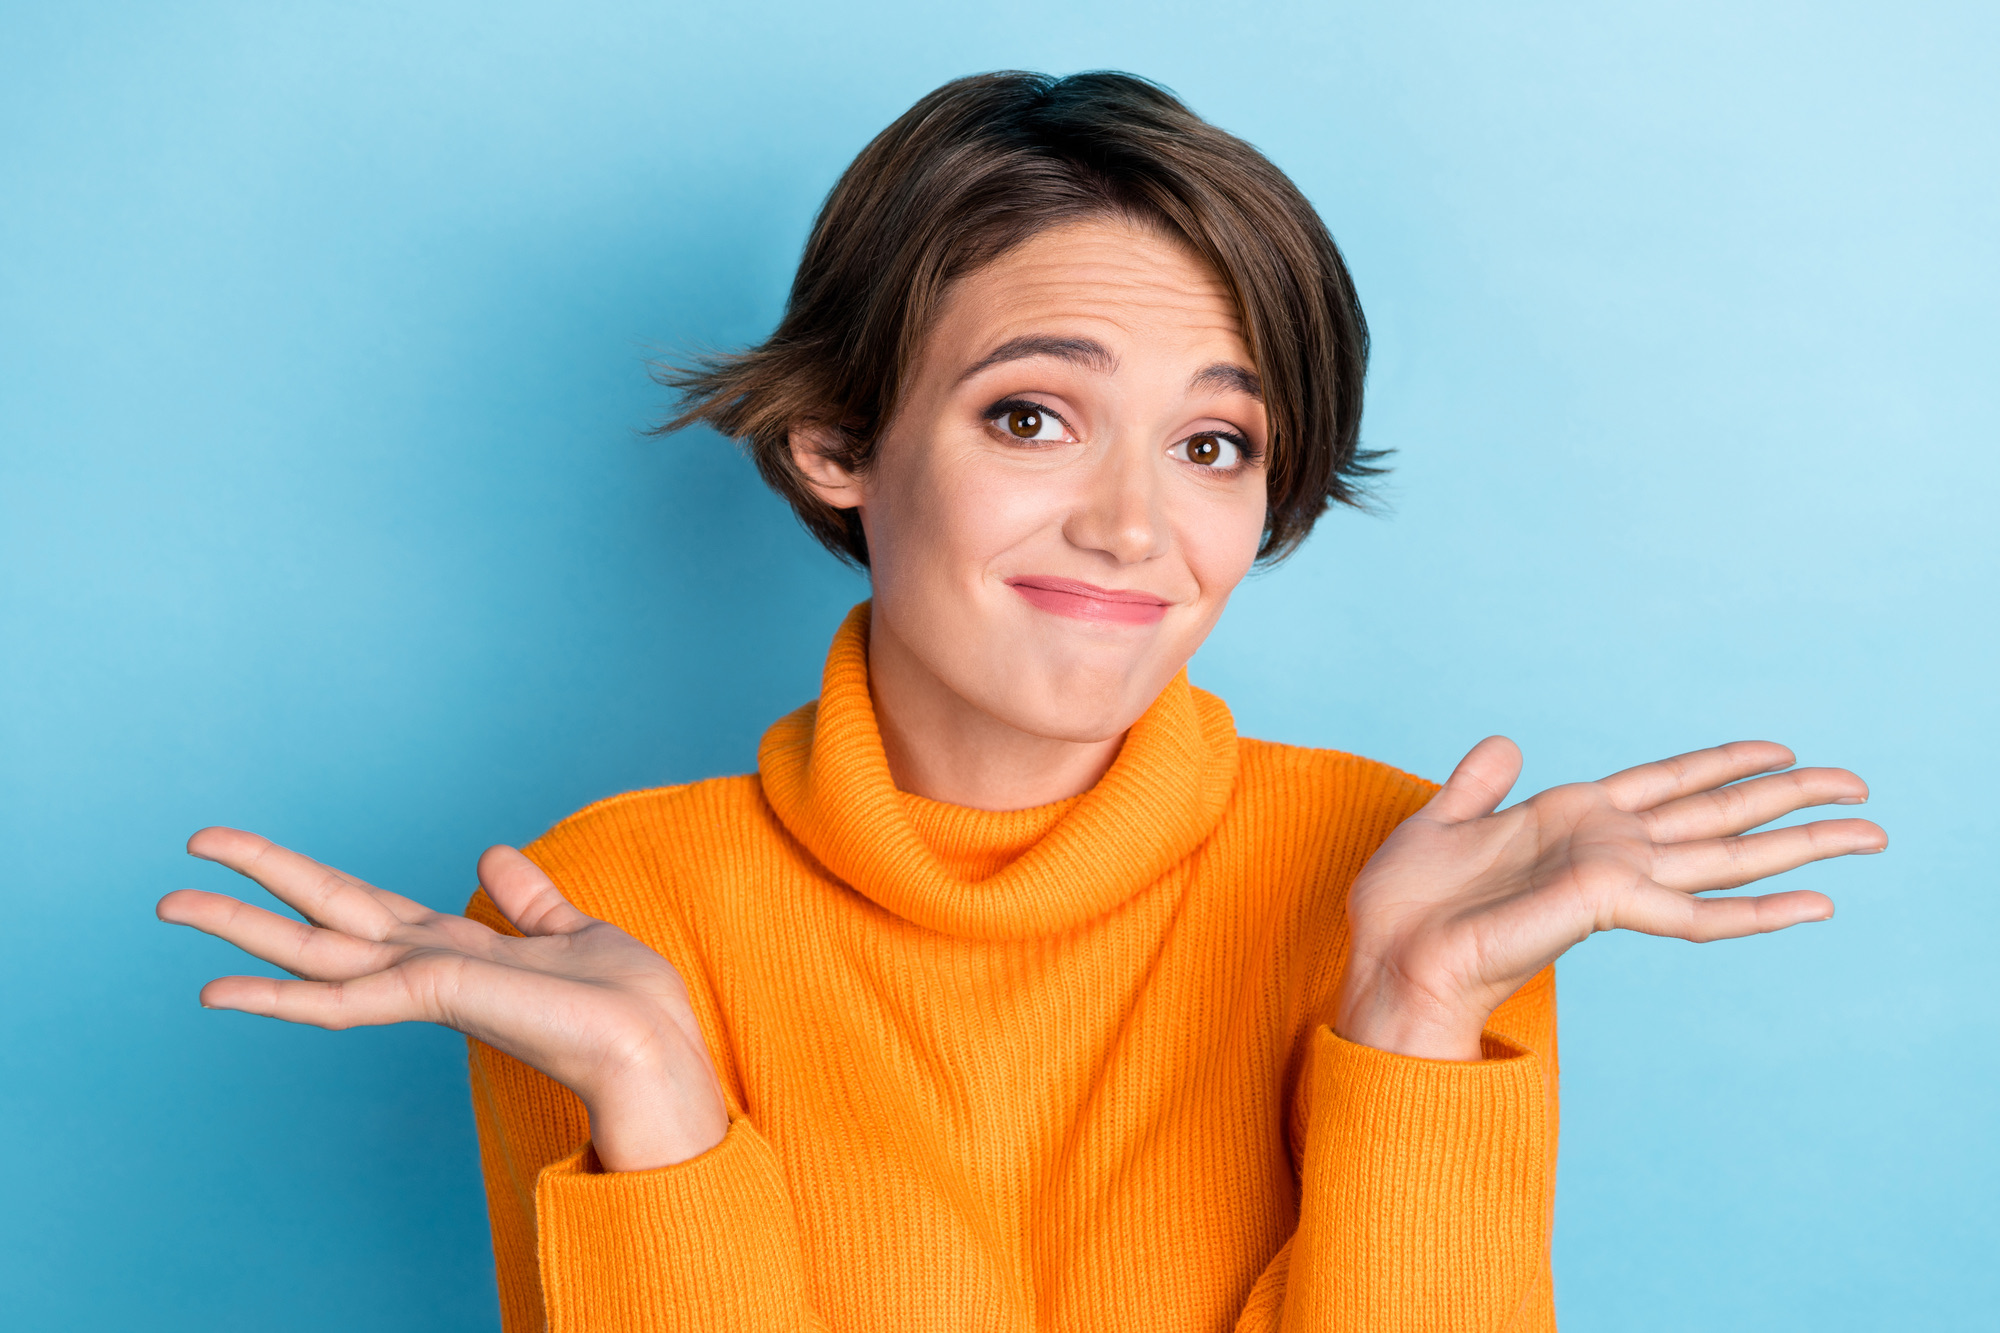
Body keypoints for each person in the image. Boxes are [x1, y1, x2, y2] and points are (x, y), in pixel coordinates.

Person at [155, 71, 1885, 1331]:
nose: (1137, 523)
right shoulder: (609, 916)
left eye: (1215, 443)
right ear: (836, 442)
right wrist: (661, 1117)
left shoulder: (1400, 872)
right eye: (1033, 415)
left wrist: (1416, 1019)